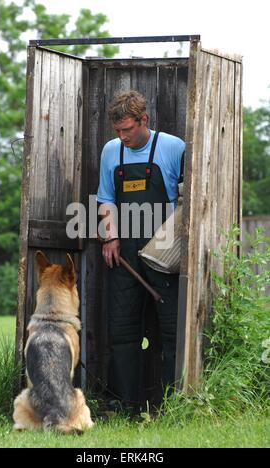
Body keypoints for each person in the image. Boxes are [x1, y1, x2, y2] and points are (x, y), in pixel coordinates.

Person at [97, 90, 185, 411]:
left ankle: (174, 403)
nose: (122, 137)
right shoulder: (111, 152)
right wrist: (110, 237)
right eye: (118, 131)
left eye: (128, 130)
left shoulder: (173, 148)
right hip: (125, 251)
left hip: (165, 249)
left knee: (172, 329)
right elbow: (106, 196)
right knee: (122, 329)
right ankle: (122, 404)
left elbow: (187, 199)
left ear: (143, 120)